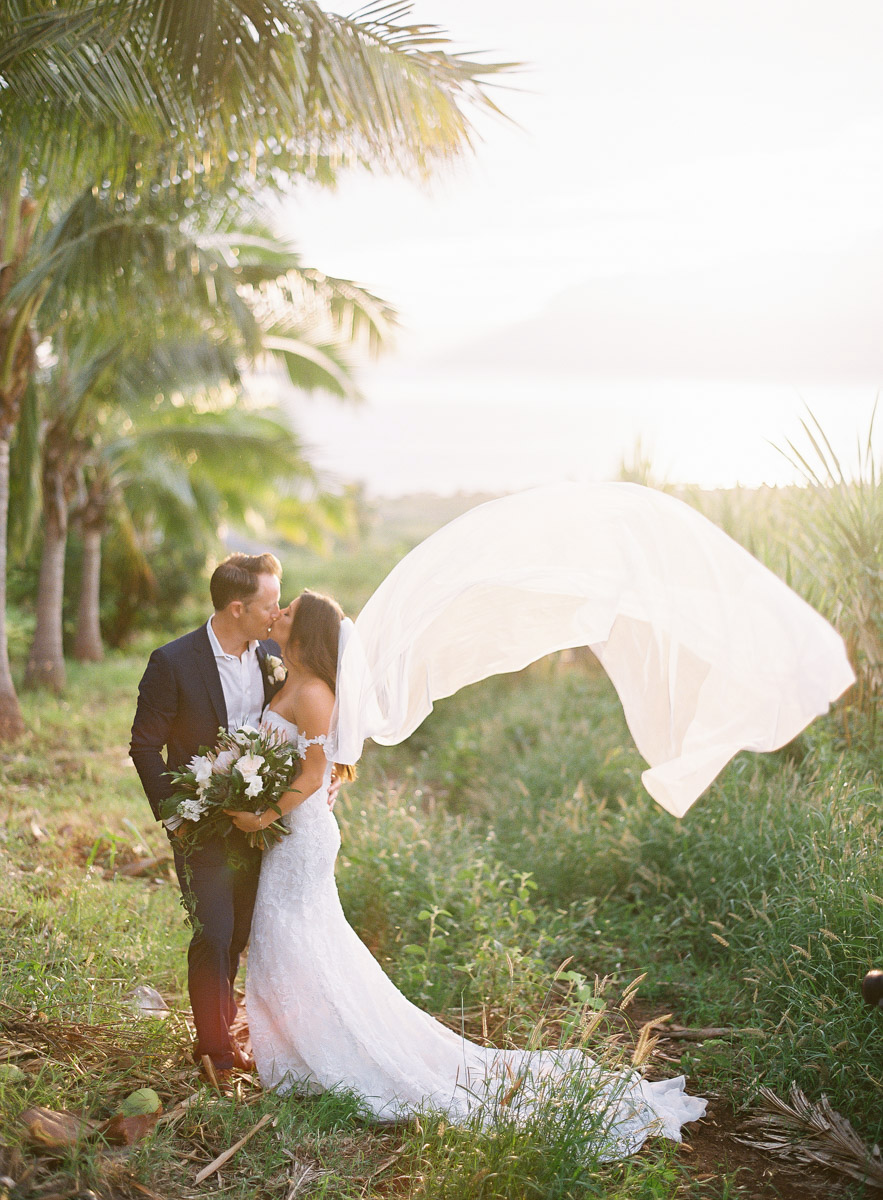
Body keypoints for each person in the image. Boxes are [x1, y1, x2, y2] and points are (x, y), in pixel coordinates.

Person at [226, 589, 706, 1158]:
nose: (276, 615)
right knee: (295, 940)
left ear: (304, 633)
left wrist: (260, 813)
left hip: (298, 834)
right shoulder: (288, 678)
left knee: (292, 936)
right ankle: (302, 1053)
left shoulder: (311, 691)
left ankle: (324, 1055)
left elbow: (311, 768)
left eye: (286, 612)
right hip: (294, 831)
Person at [130, 552, 286, 1076]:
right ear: (237, 607)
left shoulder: (270, 654)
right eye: (270, 604)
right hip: (198, 822)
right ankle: (214, 1048)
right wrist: (175, 814)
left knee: (240, 931)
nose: (277, 612)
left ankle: (225, 1027)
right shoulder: (172, 662)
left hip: (258, 822)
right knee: (213, 932)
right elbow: (144, 746)